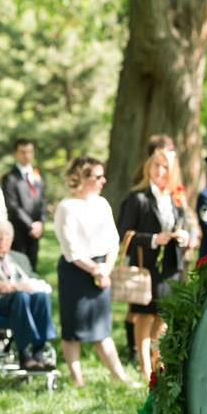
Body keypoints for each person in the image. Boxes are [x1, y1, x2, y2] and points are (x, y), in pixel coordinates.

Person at [55, 157, 137, 387]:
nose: (104, 180)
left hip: (101, 270)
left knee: (102, 326)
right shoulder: (66, 207)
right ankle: (77, 379)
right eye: (98, 176)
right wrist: (94, 269)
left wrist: (106, 269)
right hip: (76, 271)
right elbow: (70, 248)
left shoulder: (102, 203)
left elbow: (114, 239)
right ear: (81, 178)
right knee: (73, 326)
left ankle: (118, 375)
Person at [117, 147, 190, 379]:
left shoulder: (176, 197)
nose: (159, 171)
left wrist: (185, 236)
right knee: (145, 314)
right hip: (145, 264)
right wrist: (153, 239)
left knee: (163, 316)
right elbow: (125, 233)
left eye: (165, 167)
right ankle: (144, 365)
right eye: (156, 165)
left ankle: (159, 363)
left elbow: (184, 224)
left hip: (169, 264)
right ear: (148, 167)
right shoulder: (137, 197)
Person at [0, 220, 56, 370]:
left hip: (20, 302)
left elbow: (37, 279)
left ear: (12, 240)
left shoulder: (20, 258)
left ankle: (38, 353)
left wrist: (28, 285)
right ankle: (24, 354)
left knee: (41, 297)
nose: (2, 239)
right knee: (20, 297)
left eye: (7, 235)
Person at [2, 138, 46, 271]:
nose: (27, 156)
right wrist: (30, 225)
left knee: (33, 266)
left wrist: (40, 222)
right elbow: (13, 206)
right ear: (15, 153)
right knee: (19, 266)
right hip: (19, 230)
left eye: (30, 152)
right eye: (23, 152)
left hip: (36, 231)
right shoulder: (10, 178)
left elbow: (43, 200)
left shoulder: (37, 175)